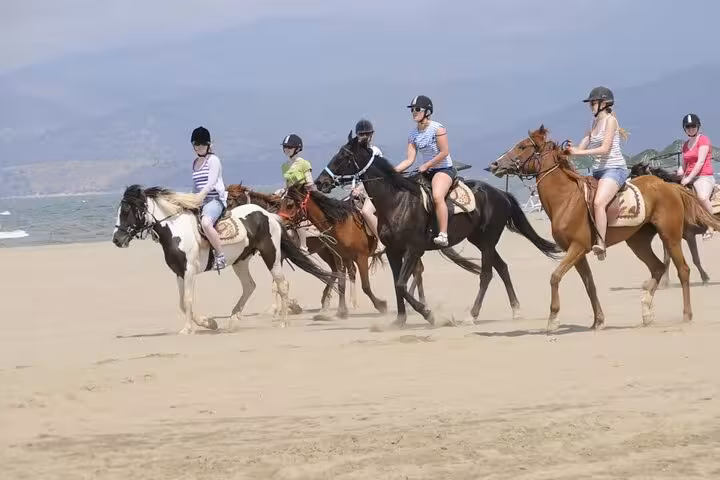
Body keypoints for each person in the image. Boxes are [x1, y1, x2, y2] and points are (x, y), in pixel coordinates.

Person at [567, 86, 629, 260]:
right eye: (591, 103)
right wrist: (571, 150)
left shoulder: (610, 121)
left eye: (593, 102)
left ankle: (601, 244)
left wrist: (579, 153)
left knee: (599, 203)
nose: (591, 106)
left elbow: (604, 148)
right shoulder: (593, 123)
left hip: (614, 169)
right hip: (598, 171)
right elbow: (582, 146)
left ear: (604, 103)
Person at [394, 95, 457, 247]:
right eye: (412, 110)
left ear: (427, 111)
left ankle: (443, 234)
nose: (414, 113)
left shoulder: (438, 128)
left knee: (436, 196)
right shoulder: (412, 135)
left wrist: (426, 165)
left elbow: (444, 152)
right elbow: (409, 160)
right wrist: (392, 171)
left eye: (417, 109)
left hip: (443, 169)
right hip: (427, 171)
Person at [190, 126, 228, 270]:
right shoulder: (194, 163)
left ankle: (220, 256)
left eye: (202, 144)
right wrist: (190, 198)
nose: (199, 147)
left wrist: (200, 196)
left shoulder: (213, 160)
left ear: (208, 144)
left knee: (206, 223)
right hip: (200, 200)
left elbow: (211, 183)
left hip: (214, 200)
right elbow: (196, 186)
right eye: (196, 144)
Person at [678, 113, 715, 239]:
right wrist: (679, 173)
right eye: (688, 127)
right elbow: (683, 165)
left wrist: (688, 178)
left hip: (703, 176)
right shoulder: (685, 145)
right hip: (688, 176)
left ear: (698, 126)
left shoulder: (703, 140)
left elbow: (700, 162)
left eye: (693, 126)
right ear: (685, 129)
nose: (691, 128)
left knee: (702, 197)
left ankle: (711, 225)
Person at [279, 133, 315, 253]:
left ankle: (304, 246)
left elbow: (309, 182)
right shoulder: (284, 166)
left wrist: (301, 191)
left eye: (289, 147)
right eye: (285, 147)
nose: (286, 149)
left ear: (297, 148)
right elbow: (287, 184)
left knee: (299, 214)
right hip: (291, 195)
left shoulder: (304, 163)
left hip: (303, 194)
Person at [351, 118, 384, 248]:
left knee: (366, 211)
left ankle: (381, 239)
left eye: (367, 134)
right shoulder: (354, 154)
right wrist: (353, 188)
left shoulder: (375, 151)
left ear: (371, 135)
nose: (364, 136)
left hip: (374, 189)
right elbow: (354, 175)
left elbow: (376, 175)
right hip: (358, 189)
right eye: (361, 134)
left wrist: (360, 188)